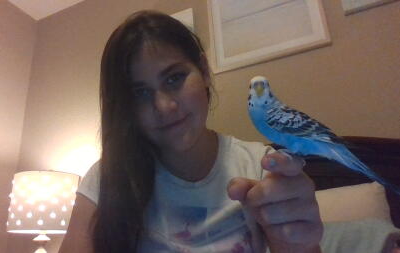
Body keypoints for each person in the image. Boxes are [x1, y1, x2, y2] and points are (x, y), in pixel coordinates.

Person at [60, 10, 323, 253]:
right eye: (140, 93)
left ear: (204, 71)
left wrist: (298, 240)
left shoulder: (259, 168)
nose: (164, 106)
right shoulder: (106, 178)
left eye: (174, 78)